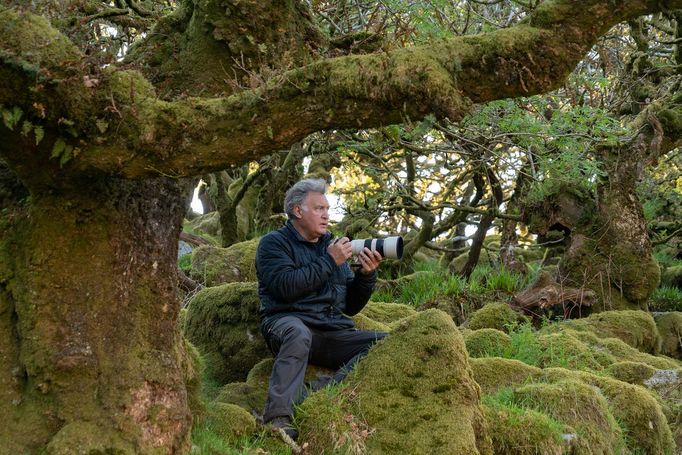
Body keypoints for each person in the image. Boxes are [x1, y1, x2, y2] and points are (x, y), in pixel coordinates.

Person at [255, 178, 387, 441]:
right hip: (285, 323)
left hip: (330, 332)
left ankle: (322, 392)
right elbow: (285, 287)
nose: (327, 215)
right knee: (297, 333)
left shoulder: (333, 246)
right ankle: (277, 419)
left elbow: (350, 306)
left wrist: (365, 276)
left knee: (385, 343)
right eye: (319, 209)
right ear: (297, 211)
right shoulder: (273, 244)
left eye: (328, 209)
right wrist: (330, 260)